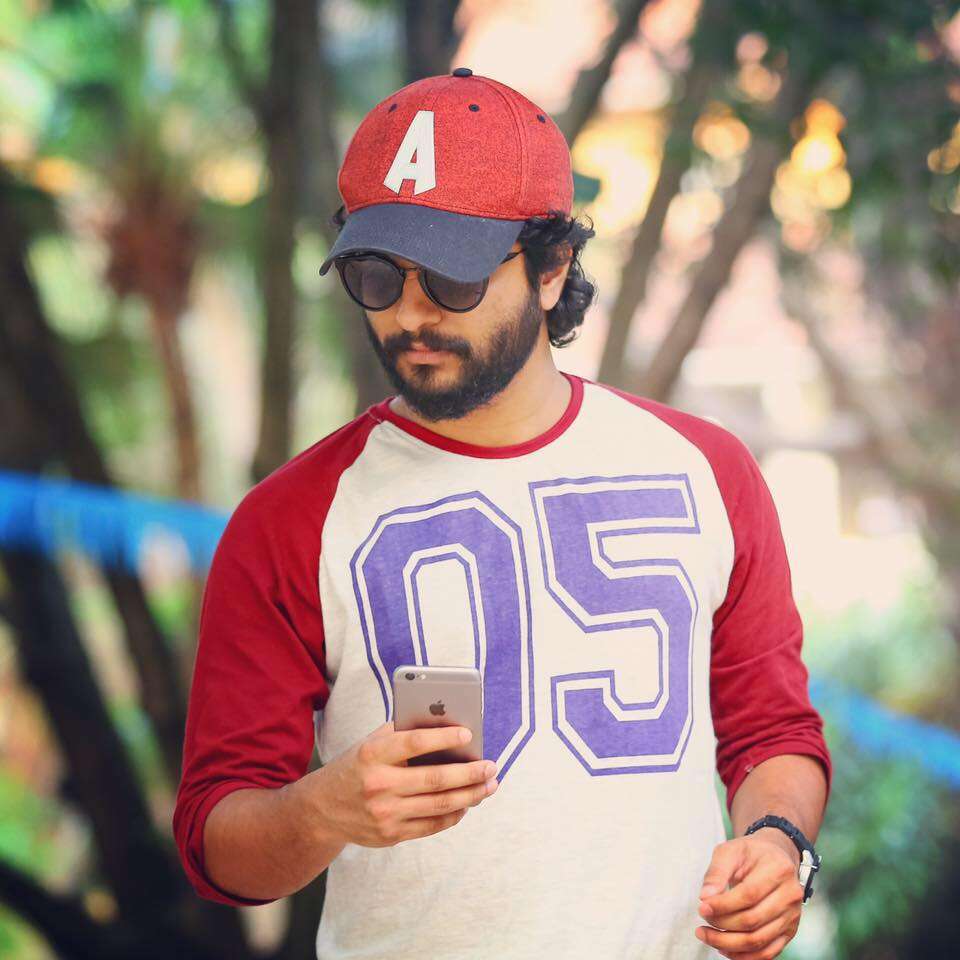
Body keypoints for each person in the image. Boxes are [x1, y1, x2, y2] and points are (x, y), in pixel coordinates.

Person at [173, 68, 831, 960]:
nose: (410, 315)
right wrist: (324, 809)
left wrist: (779, 844)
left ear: (551, 269)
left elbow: (772, 731)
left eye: (452, 278)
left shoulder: (707, 471)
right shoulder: (288, 520)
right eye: (378, 274)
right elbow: (219, 842)